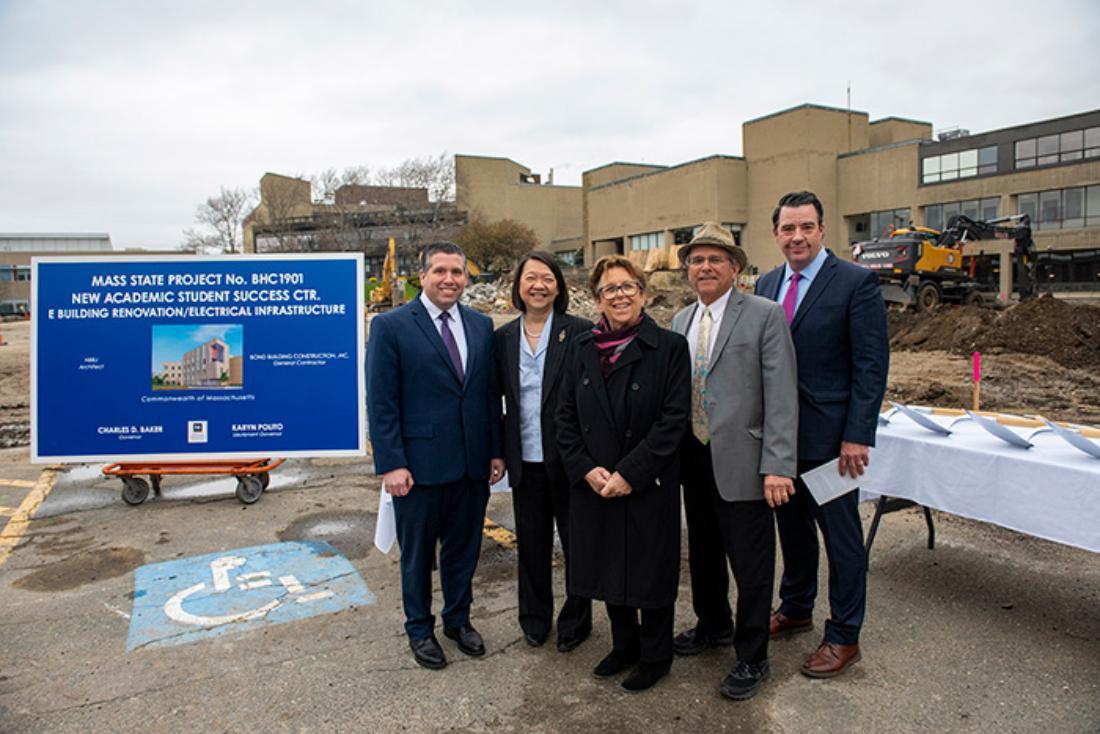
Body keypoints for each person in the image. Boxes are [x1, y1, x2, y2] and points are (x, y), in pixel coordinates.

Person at [755, 191, 889, 678]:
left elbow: (871, 366)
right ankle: (795, 607)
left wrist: (857, 434)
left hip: (832, 442)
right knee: (792, 531)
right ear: (776, 234)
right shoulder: (766, 284)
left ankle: (844, 634)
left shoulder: (855, 283)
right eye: (788, 229)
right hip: (781, 441)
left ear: (822, 230)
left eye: (806, 227)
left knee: (841, 538)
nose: (797, 237)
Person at [669, 222, 799, 700]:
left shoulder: (764, 316)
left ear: (735, 269)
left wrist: (779, 465)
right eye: (696, 260)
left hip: (746, 460)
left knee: (751, 562)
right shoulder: (681, 322)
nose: (704, 267)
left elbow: (782, 395)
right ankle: (712, 625)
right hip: (695, 458)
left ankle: (752, 655)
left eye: (715, 259)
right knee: (702, 552)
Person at [366, 241, 505, 671]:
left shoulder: (482, 325)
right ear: (422, 275)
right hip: (417, 468)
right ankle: (419, 630)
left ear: (466, 277)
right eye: (440, 271)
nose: (450, 279)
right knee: (417, 556)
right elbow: (382, 400)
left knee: (463, 552)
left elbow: (488, 394)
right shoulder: (390, 326)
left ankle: (458, 621)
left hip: (470, 465)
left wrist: (496, 451)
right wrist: (391, 463)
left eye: (458, 272)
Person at [556, 255, 691, 692]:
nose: (619, 295)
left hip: (646, 481)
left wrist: (631, 472)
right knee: (609, 565)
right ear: (596, 299)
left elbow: (673, 421)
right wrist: (585, 469)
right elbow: (564, 418)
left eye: (627, 286)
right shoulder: (579, 349)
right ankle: (624, 645)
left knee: (649, 571)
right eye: (609, 289)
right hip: (597, 482)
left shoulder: (669, 347)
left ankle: (655, 655)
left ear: (643, 293)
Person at [494, 251, 593, 652]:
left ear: (559, 286)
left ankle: (577, 620)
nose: (539, 285)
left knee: (577, 545)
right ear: (518, 286)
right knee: (531, 546)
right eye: (530, 278)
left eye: (547, 278)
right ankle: (534, 619)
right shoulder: (501, 338)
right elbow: (494, 400)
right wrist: (497, 451)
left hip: (570, 462)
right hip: (525, 461)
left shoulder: (581, 331)